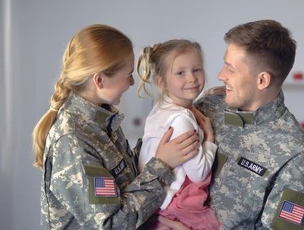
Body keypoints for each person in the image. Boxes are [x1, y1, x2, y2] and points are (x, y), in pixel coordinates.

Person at [32, 24, 200, 229]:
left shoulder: (102, 119)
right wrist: (161, 164)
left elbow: (125, 184)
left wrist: (157, 139)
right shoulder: (73, 140)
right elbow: (111, 223)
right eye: (128, 74)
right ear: (100, 80)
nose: (131, 82)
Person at [195, 19, 304, 229]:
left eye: (231, 69)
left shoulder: (300, 159)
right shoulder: (208, 108)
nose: (221, 75)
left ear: (262, 81)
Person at [137, 39, 220, 230]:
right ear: (161, 82)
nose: (191, 78)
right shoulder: (182, 119)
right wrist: (209, 140)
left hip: (156, 202)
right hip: (178, 205)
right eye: (180, 73)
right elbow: (198, 173)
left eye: (197, 70)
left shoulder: (160, 109)